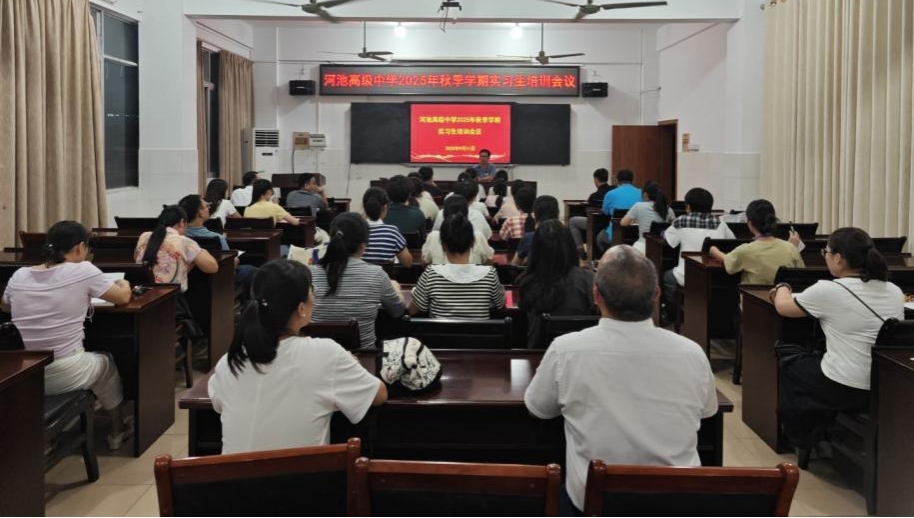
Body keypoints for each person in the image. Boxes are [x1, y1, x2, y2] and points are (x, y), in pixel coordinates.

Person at [524, 246, 718, 515]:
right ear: (656, 295)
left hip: (595, 505)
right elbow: (708, 412)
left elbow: (539, 408)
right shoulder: (692, 353)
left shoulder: (566, 349)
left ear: (596, 295)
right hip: (678, 503)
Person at [208, 260, 387, 455]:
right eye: (312, 292)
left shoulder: (230, 361)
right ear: (301, 308)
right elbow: (379, 395)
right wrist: (351, 362)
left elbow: (218, 404)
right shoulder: (326, 353)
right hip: (302, 475)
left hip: (232, 475)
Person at [1, 221, 136, 450]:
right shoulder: (83, 270)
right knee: (106, 362)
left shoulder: (20, 274)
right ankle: (117, 430)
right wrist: (124, 282)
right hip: (65, 370)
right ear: (80, 247)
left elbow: (5, 306)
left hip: (23, 373)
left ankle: (48, 439)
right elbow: (123, 297)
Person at [771, 228, 904, 453]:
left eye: (826, 252)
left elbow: (783, 307)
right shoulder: (894, 290)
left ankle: (801, 436)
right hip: (884, 386)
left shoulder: (828, 290)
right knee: (815, 361)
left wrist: (782, 287)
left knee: (789, 361)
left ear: (839, 258)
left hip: (845, 386)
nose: (825, 256)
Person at [310, 213, 407, 348]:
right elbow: (397, 311)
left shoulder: (310, 273)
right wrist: (397, 290)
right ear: (362, 246)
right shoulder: (376, 274)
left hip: (319, 353)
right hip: (364, 356)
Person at [409, 213, 506, 320]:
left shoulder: (430, 274)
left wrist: (416, 293)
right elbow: (501, 306)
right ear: (472, 243)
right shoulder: (489, 274)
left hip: (440, 331)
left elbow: (412, 310)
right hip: (479, 331)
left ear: (443, 245)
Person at [517, 221, 595, 349]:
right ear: (570, 247)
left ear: (535, 250)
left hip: (538, 353)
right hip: (578, 351)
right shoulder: (587, 279)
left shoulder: (526, 281)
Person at [661, 188, 735, 322]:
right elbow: (732, 242)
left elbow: (668, 239)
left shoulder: (681, 221)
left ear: (688, 207)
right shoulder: (720, 223)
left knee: (667, 278)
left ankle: (675, 315)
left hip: (686, 275)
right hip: (714, 276)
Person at [709, 199, 804, 285]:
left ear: (749, 223)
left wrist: (713, 251)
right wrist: (792, 247)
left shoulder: (745, 250)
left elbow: (728, 262)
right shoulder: (791, 247)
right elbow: (801, 272)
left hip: (753, 298)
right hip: (784, 297)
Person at [180, 195, 258, 293]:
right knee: (253, 270)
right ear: (201, 213)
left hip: (189, 281)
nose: (209, 208)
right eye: (206, 206)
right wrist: (236, 260)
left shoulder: (178, 237)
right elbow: (230, 264)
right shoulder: (216, 237)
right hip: (219, 280)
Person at [135, 205, 219, 292]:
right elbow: (213, 267)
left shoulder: (144, 236)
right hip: (171, 297)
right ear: (182, 222)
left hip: (144, 294)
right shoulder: (184, 241)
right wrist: (201, 251)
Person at [422, 196, 494, 265]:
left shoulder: (433, 236)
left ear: (444, 213)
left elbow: (425, 262)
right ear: (466, 212)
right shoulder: (478, 236)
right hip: (475, 273)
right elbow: (490, 260)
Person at [362, 187, 413, 267]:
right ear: (385, 208)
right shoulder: (392, 232)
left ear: (364, 207)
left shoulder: (356, 231)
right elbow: (408, 263)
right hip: (385, 275)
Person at [620, 181, 676, 254]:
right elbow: (675, 225)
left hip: (642, 246)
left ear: (645, 194)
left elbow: (623, 223)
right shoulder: (667, 208)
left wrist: (634, 220)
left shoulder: (638, 206)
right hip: (662, 249)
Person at [569, 169, 613, 259]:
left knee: (572, 221)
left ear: (596, 179)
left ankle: (581, 252)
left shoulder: (594, 196)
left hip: (596, 223)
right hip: (610, 222)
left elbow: (587, 213)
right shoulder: (613, 191)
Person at [597, 170, 642, 253]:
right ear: (633, 180)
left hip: (614, 234)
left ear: (617, 181)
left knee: (600, 238)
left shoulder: (610, 194)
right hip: (636, 235)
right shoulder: (641, 193)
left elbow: (605, 212)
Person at [515, 196, 560, 265]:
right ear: (557, 213)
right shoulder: (567, 235)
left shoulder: (529, 238)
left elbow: (515, 264)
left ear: (535, 215)